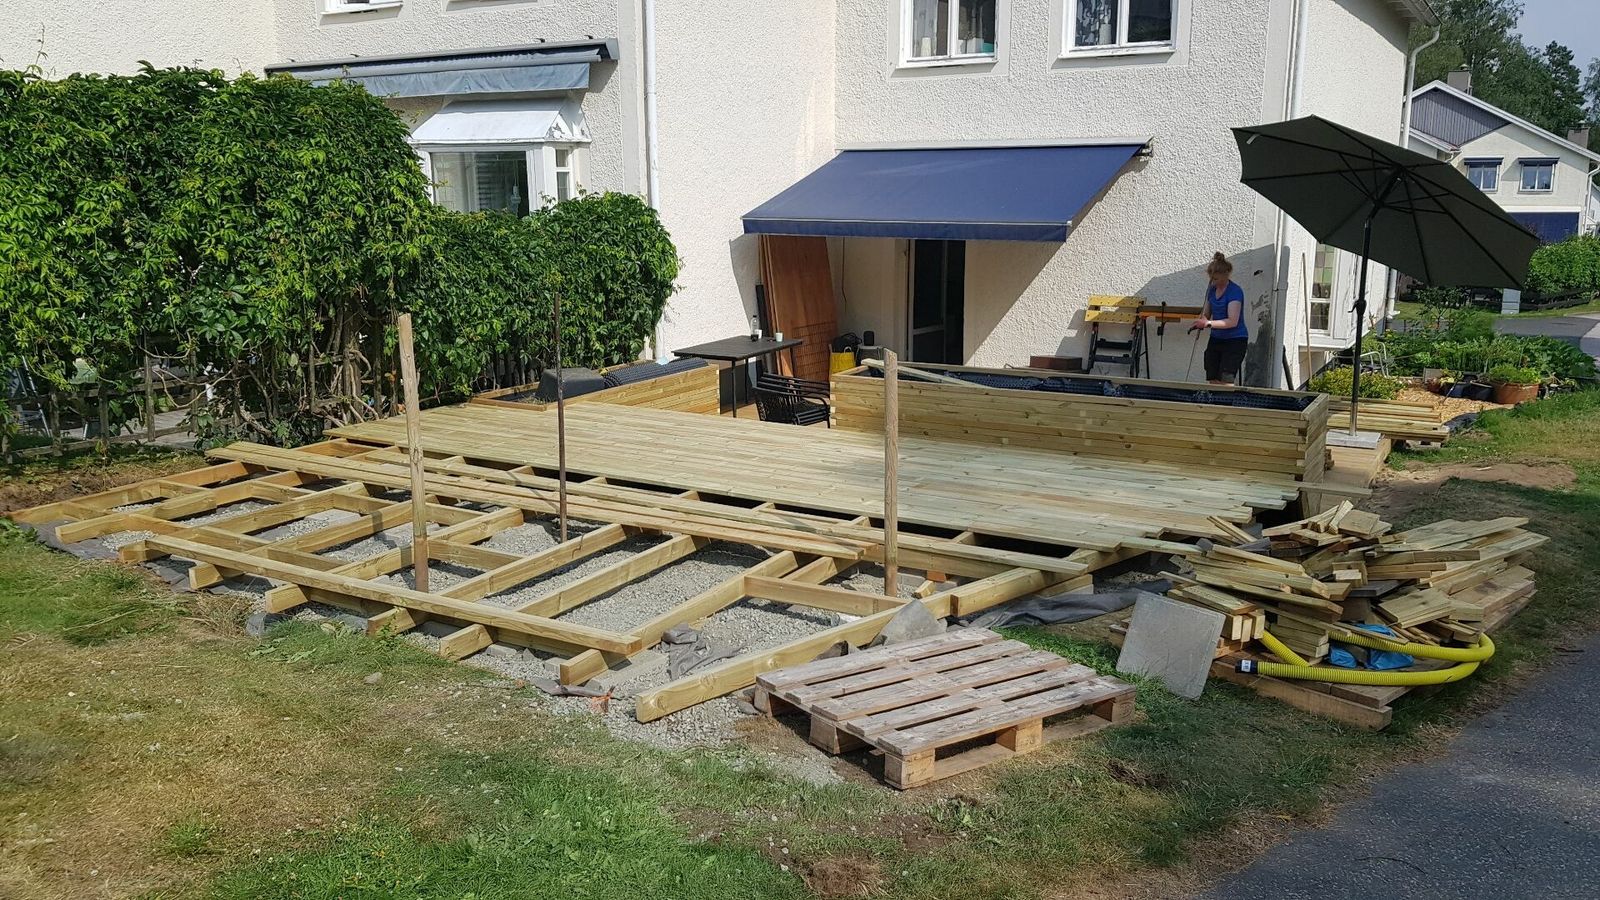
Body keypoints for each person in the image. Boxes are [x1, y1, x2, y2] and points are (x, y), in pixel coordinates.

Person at [1193, 251, 1248, 385]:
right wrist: (1202, 320)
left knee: (1225, 380)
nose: (1213, 282)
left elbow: (1232, 321)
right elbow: (1207, 313)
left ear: (1225, 275)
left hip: (1235, 340)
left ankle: (1226, 398)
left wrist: (1208, 324)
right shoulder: (1212, 290)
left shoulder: (1234, 292)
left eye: (1216, 279)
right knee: (1212, 376)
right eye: (1211, 279)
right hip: (1216, 338)